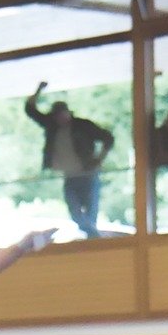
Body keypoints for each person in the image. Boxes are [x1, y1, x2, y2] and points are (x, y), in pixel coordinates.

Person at [24, 83, 115, 238]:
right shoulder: (52, 127)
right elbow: (30, 110)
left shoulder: (83, 126)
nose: (60, 119)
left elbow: (108, 138)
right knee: (75, 212)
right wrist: (38, 90)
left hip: (88, 173)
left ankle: (92, 236)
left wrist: (100, 158)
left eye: (62, 115)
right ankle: (92, 234)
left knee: (90, 211)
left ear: (68, 113)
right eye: (57, 116)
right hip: (70, 175)